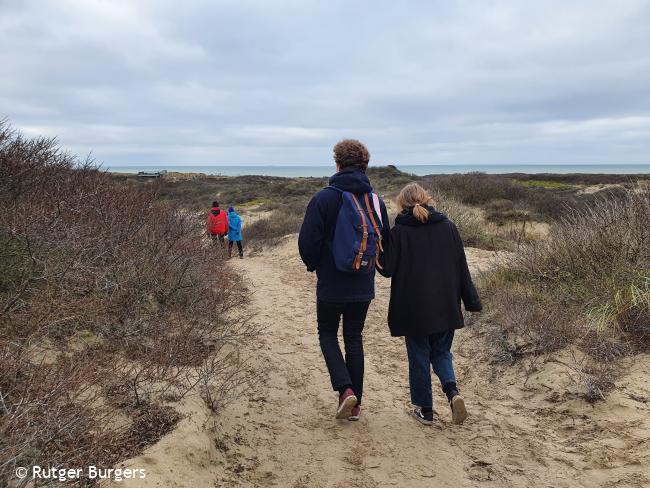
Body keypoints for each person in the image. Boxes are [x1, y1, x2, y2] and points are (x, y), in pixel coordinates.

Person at [299, 139, 390, 422]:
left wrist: (315, 266)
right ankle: (356, 405)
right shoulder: (376, 200)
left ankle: (345, 389)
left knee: (327, 334)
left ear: (337, 164)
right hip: (363, 283)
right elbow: (385, 240)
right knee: (354, 338)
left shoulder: (324, 198)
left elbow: (307, 243)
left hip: (331, 283)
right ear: (365, 165)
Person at [379, 183, 482, 426]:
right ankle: (452, 392)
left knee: (419, 356)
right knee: (441, 352)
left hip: (413, 307)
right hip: (446, 303)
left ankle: (424, 410)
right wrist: (472, 301)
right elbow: (461, 267)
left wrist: (379, 249)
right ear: (426, 199)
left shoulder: (399, 232)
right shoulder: (449, 227)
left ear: (401, 204)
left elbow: (387, 270)